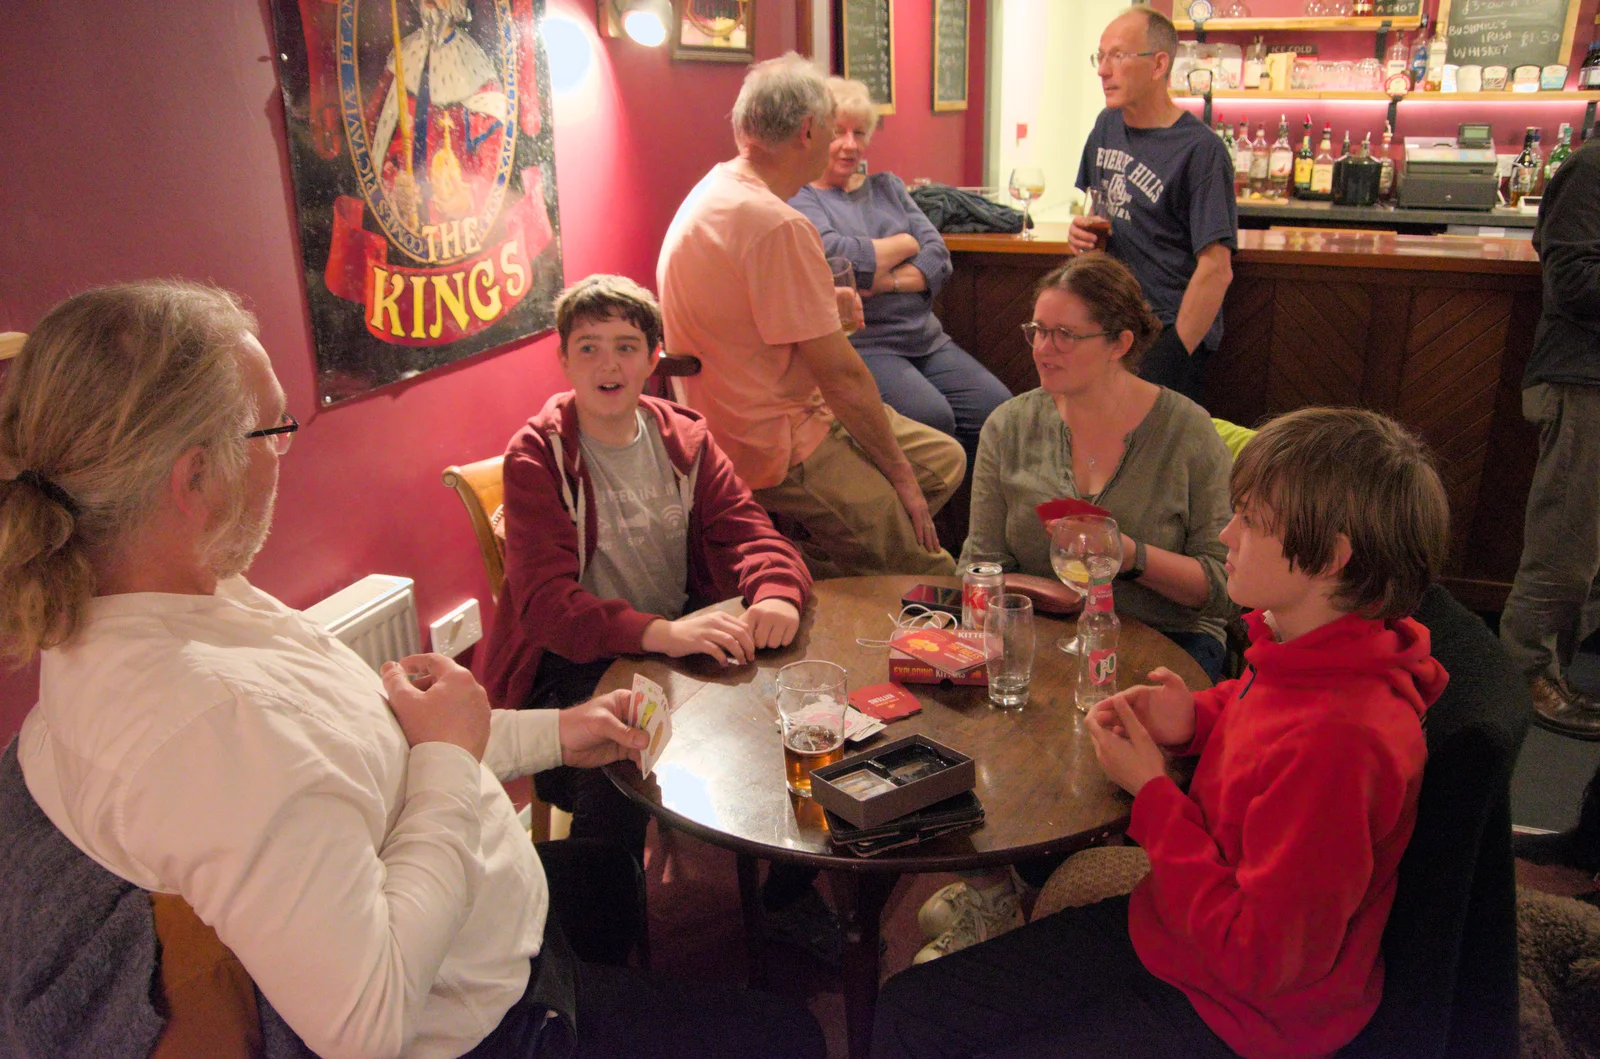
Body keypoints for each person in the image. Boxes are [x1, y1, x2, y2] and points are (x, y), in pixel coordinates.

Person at [0, 281, 824, 1059]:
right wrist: (443, 757)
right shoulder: (206, 720)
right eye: (275, 431)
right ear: (196, 477)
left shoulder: (195, 603)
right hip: (498, 1022)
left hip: (491, 924)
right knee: (790, 1035)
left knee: (607, 881)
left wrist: (555, 734)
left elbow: (375, 751)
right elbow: (368, 1017)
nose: (283, 454)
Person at [872, 406, 1451, 1059]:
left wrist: (1152, 792)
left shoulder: (1345, 744)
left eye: (1252, 521)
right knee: (910, 1009)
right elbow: (1270, 705)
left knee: (920, 1027)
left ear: (1332, 559)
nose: (1228, 534)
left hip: (1241, 1015)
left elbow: (1258, 958)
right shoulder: (1318, 649)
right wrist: (1200, 716)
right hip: (1181, 935)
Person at [478, 274, 839, 964]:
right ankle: (600, 962)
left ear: (652, 358)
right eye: (588, 348)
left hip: (672, 647)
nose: (608, 365)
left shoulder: (684, 439)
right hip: (571, 666)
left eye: (625, 346)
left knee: (810, 717)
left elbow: (753, 534)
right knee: (615, 763)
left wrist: (775, 596)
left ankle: (788, 895)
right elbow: (548, 607)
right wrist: (663, 633)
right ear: (563, 359)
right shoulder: (538, 454)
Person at [909, 251, 1234, 965]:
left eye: (1064, 334)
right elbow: (979, 559)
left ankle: (1047, 902)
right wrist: (1013, 600)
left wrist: (1130, 554)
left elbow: (1223, 586)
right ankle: (992, 884)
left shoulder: (1187, 432)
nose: (1041, 348)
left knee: (1077, 745)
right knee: (956, 720)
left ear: (1120, 343)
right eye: (1037, 329)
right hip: (1040, 625)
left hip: (1166, 637)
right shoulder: (1009, 426)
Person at [657, 53, 966, 579]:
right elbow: (842, 376)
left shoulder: (716, 190)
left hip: (739, 414)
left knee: (946, 460)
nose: (833, 143)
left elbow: (763, 320)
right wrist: (900, 482)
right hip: (774, 440)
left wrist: (825, 306)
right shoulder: (777, 224)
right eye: (829, 128)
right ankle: (820, 573)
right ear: (806, 131)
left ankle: (828, 563)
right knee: (930, 565)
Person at [788, 77, 1011, 468]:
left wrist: (884, 278)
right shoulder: (801, 195)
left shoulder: (887, 186)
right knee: (933, 419)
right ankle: (923, 525)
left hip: (926, 338)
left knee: (999, 412)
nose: (850, 144)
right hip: (866, 343)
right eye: (838, 132)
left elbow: (937, 256)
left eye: (859, 132)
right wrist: (904, 245)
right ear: (817, 132)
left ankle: (974, 523)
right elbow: (838, 260)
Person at [1068, 5, 1236, 405]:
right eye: (1100, 56)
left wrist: (1173, 353)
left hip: (1163, 334)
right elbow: (1095, 212)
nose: (1103, 70)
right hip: (1107, 325)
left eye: (1118, 56)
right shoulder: (1105, 127)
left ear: (1159, 64)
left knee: (1151, 460)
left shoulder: (1201, 150)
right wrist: (1079, 235)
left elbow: (1216, 269)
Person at [1499, 134, 1600, 740]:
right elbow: (1573, 283)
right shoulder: (1590, 169)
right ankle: (1526, 675)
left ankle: (1555, 670)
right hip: (1582, 381)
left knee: (1587, 553)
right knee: (1565, 548)